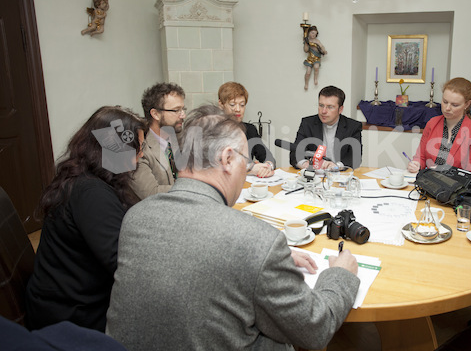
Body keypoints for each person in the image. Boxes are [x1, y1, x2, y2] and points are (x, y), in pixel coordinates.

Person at [106, 105, 360, 351]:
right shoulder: (257, 240)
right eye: (245, 160)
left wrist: (264, 261)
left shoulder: (136, 216)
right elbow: (315, 329)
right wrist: (340, 275)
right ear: (227, 159)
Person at [25, 106, 145, 332]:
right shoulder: (91, 192)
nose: (141, 155)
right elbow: (121, 262)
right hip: (72, 314)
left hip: (72, 297)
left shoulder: (88, 179)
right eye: (137, 148)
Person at [407, 77, 471, 174]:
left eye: (455, 105)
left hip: (457, 187)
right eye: (445, 102)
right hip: (428, 182)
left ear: (467, 104)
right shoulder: (432, 124)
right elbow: (421, 157)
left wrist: (446, 173)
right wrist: (417, 164)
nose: (447, 108)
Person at [131, 82, 186, 199]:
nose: (183, 115)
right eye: (176, 110)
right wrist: (196, 186)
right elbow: (151, 192)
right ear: (155, 114)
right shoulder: (139, 149)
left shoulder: (181, 136)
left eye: (183, 109)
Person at [290, 85, 363, 169]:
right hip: (313, 175)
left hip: (339, 176)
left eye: (330, 107)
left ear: (340, 109)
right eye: (321, 105)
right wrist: (304, 164)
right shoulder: (307, 123)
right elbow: (294, 154)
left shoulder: (353, 126)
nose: (323, 111)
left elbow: (355, 158)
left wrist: (336, 166)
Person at [218, 81, 276, 178]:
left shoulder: (250, 129)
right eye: (232, 104)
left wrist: (267, 166)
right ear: (221, 104)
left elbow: (267, 156)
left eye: (242, 105)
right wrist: (250, 168)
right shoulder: (212, 130)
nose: (238, 109)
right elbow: (215, 166)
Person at [303, 25, 327, 90]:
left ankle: (315, 79)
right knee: (308, 72)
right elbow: (305, 50)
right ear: (309, 33)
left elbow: (322, 46)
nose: (313, 35)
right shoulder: (307, 40)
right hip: (310, 57)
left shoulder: (317, 41)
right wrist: (306, 43)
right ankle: (306, 84)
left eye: (315, 34)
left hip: (316, 57)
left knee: (316, 67)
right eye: (312, 33)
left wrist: (324, 51)